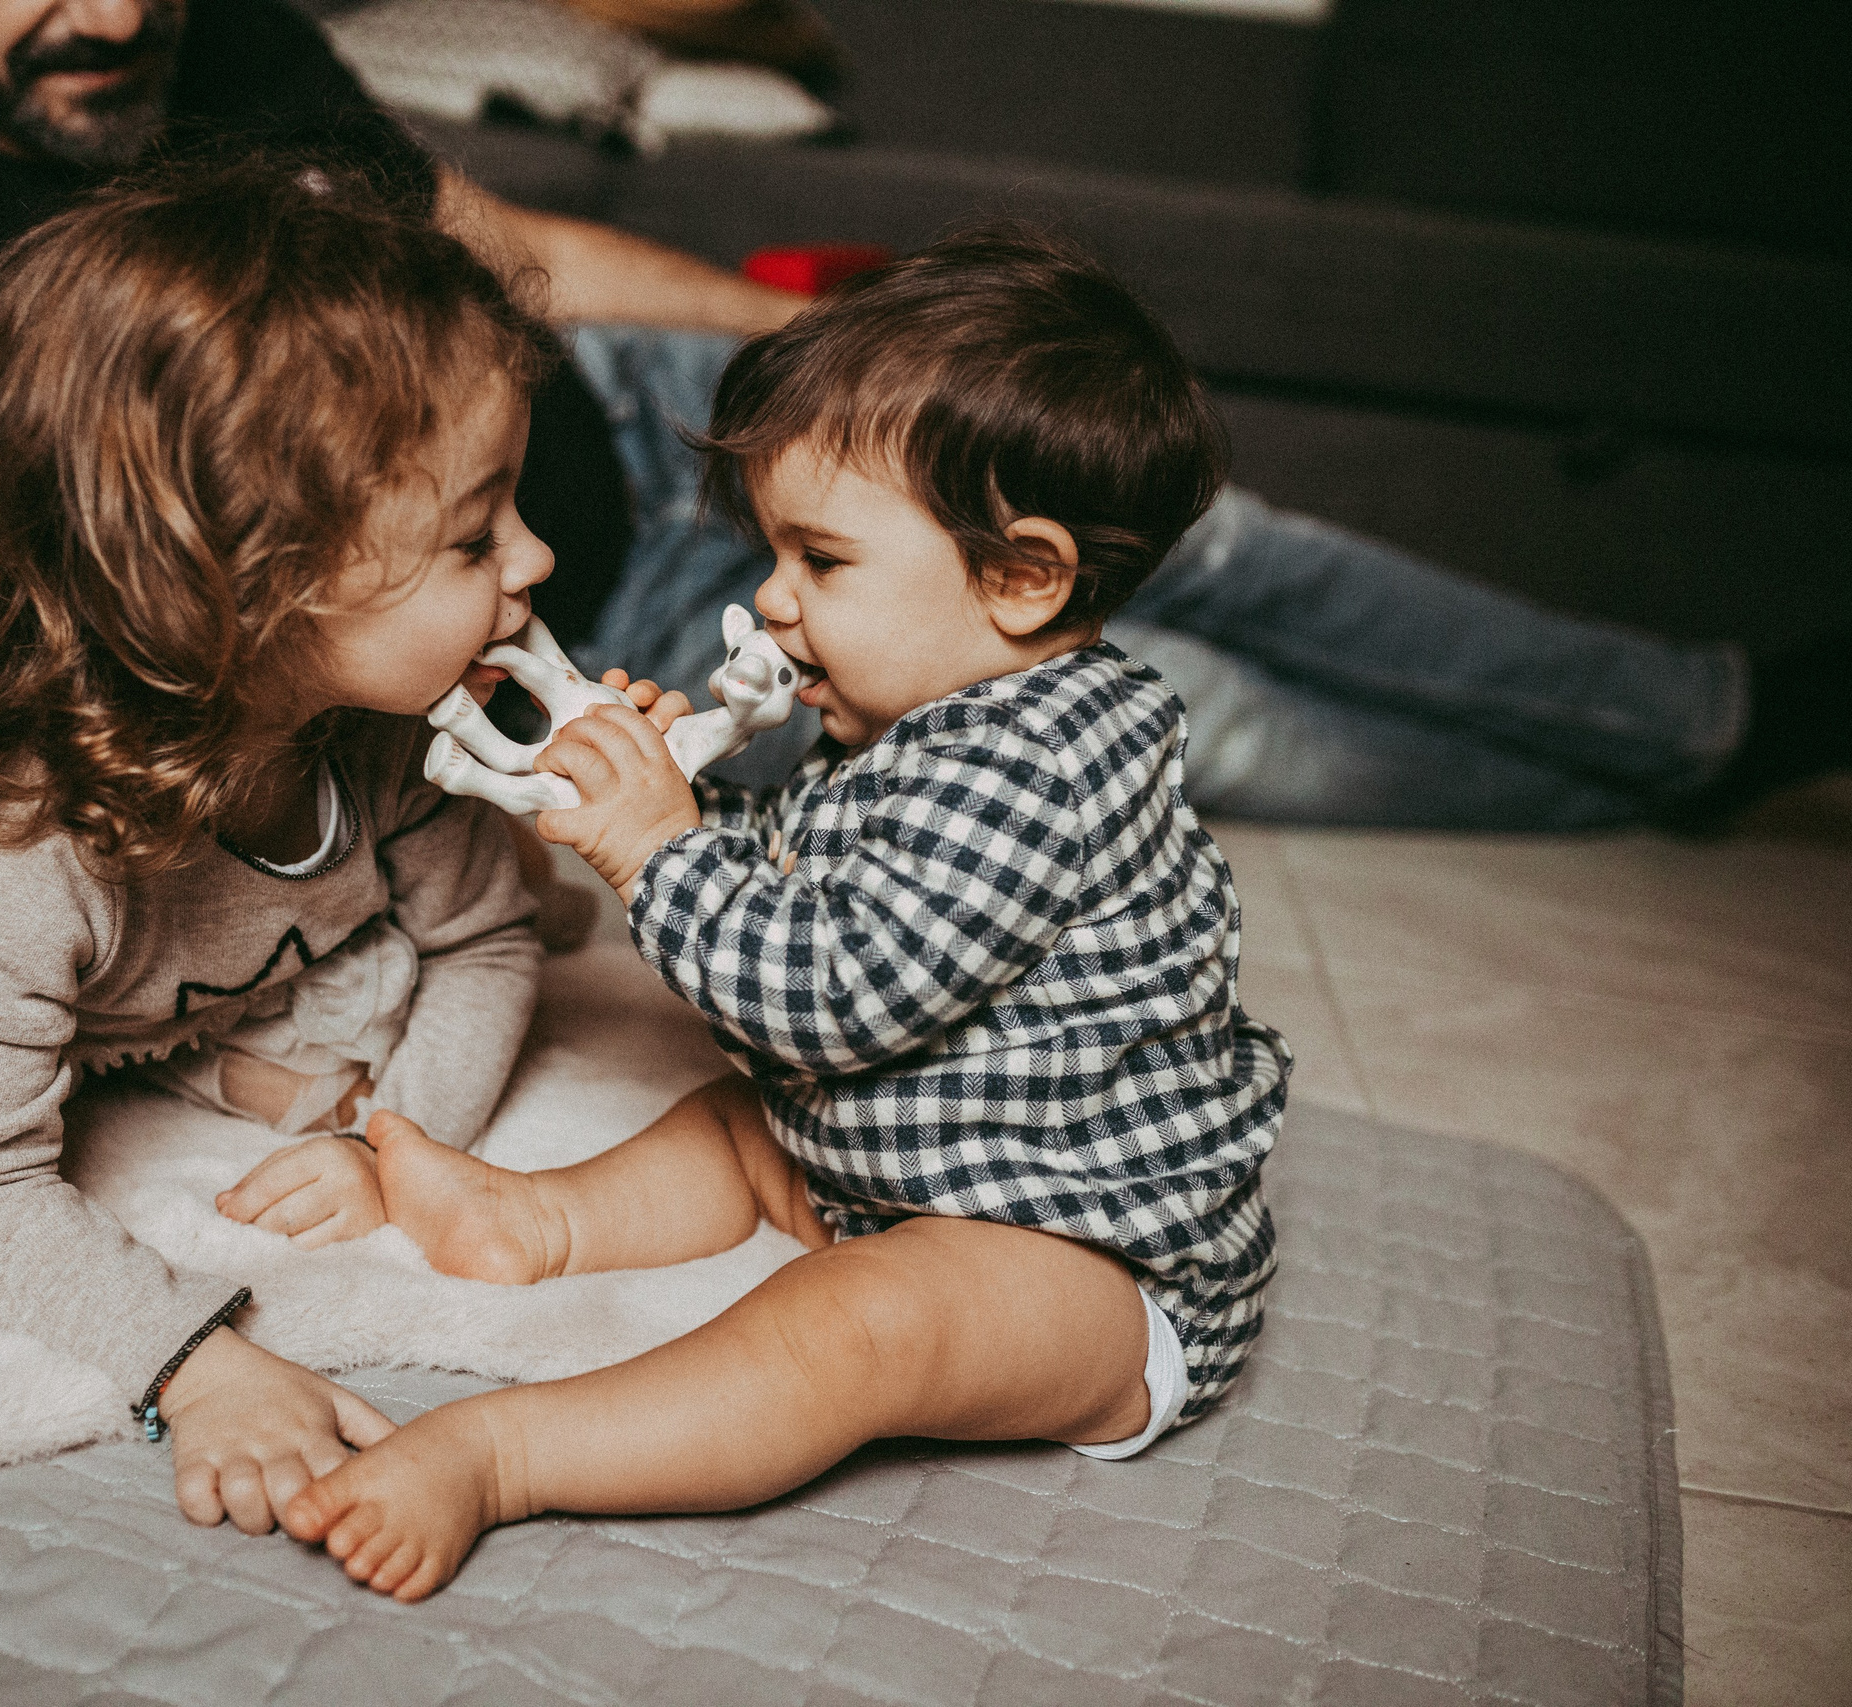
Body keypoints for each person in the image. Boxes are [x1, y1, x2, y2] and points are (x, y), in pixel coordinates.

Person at [0, 0, 1839, 1092]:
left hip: (632, 441)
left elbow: (495, 237)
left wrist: (801, 385)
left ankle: (1707, 710)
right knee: (1197, 722)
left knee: (1202, 532)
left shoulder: (226, 49)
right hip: (601, 629)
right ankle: (1658, 777)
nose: (106, 5)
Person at [276, 226, 1288, 1601]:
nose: (771, 599)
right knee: (741, 1128)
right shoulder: (934, 711)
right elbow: (820, 886)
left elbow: (829, 991)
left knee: (862, 1327)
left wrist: (660, 853)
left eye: (822, 560)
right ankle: (540, 1223)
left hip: (1083, 1261)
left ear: (1026, 578)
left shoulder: (1044, 763)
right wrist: (676, 806)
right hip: (900, 1161)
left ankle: (506, 1454)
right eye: (774, 553)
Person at [0, 156, 575, 1535]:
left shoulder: (386, 727)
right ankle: (177, 1048)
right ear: (250, 591)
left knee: (454, 929)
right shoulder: (8, 852)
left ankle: (216, 1047)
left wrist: (403, 1147)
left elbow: (488, 938)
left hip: (200, 931)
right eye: (472, 539)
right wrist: (195, 1361)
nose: (538, 559)